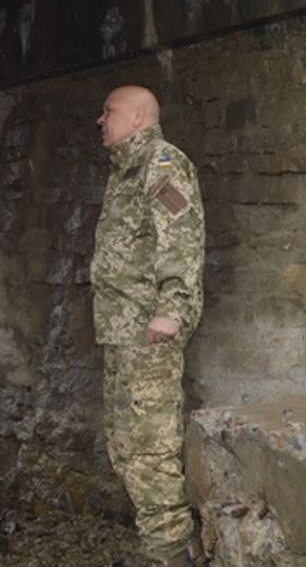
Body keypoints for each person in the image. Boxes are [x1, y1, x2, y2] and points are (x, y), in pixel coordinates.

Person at [91, 85, 206, 567]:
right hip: (122, 333)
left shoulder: (161, 163)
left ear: (138, 117)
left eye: (109, 111)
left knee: (149, 448)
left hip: (148, 333)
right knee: (124, 444)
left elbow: (181, 236)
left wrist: (172, 308)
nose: (100, 120)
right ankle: (159, 550)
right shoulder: (125, 172)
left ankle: (174, 557)